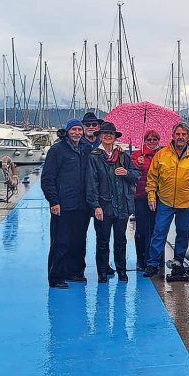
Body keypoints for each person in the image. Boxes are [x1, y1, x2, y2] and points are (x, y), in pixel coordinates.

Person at [143, 123, 189, 280]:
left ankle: (178, 263)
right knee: (159, 233)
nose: (180, 137)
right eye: (177, 134)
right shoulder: (162, 155)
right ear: (172, 136)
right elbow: (152, 178)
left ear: (187, 137)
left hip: (186, 203)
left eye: (183, 134)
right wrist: (151, 196)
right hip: (165, 202)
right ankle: (152, 264)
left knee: (182, 234)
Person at [86, 122, 140, 283]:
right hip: (104, 206)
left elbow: (136, 174)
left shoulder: (123, 156)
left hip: (122, 205)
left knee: (120, 240)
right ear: (100, 136)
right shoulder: (94, 157)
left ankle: (121, 271)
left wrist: (126, 173)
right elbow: (91, 183)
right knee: (102, 241)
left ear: (115, 137)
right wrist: (95, 205)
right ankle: (102, 273)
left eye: (111, 133)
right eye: (105, 133)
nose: (108, 136)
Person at [41, 119, 92, 288]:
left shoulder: (86, 149)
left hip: (82, 205)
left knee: (79, 241)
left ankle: (75, 272)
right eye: (73, 130)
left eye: (79, 129)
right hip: (62, 204)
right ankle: (56, 277)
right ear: (68, 131)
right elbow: (47, 178)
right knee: (60, 241)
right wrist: (53, 201)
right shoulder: (57, 150)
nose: (77, 133)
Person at [130, 129, 161, 271]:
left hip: (158, 197)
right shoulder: (137, 155)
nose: (152, 142)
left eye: (155, 139)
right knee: (141, 229)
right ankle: (140, 258)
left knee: (157, 229)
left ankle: (155, 258)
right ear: (145, 140)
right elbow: (130, 172)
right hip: (141, 196)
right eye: (149, 139)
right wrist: (137, 163)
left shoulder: (162, 155)